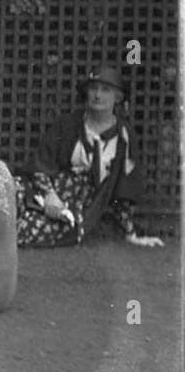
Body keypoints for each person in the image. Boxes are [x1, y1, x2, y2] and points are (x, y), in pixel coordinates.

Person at [15, 65, 164, 249]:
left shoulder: (124, 137)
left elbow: (123, 190)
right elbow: (41, 163)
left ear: (117, 97)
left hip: (75, 208)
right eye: (94, 88)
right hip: (45, 191)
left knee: (22, 231)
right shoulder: (67, 124)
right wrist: (50, 195)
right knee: (8, 193)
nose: (98, 95)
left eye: (105, 90)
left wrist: (130, 234)